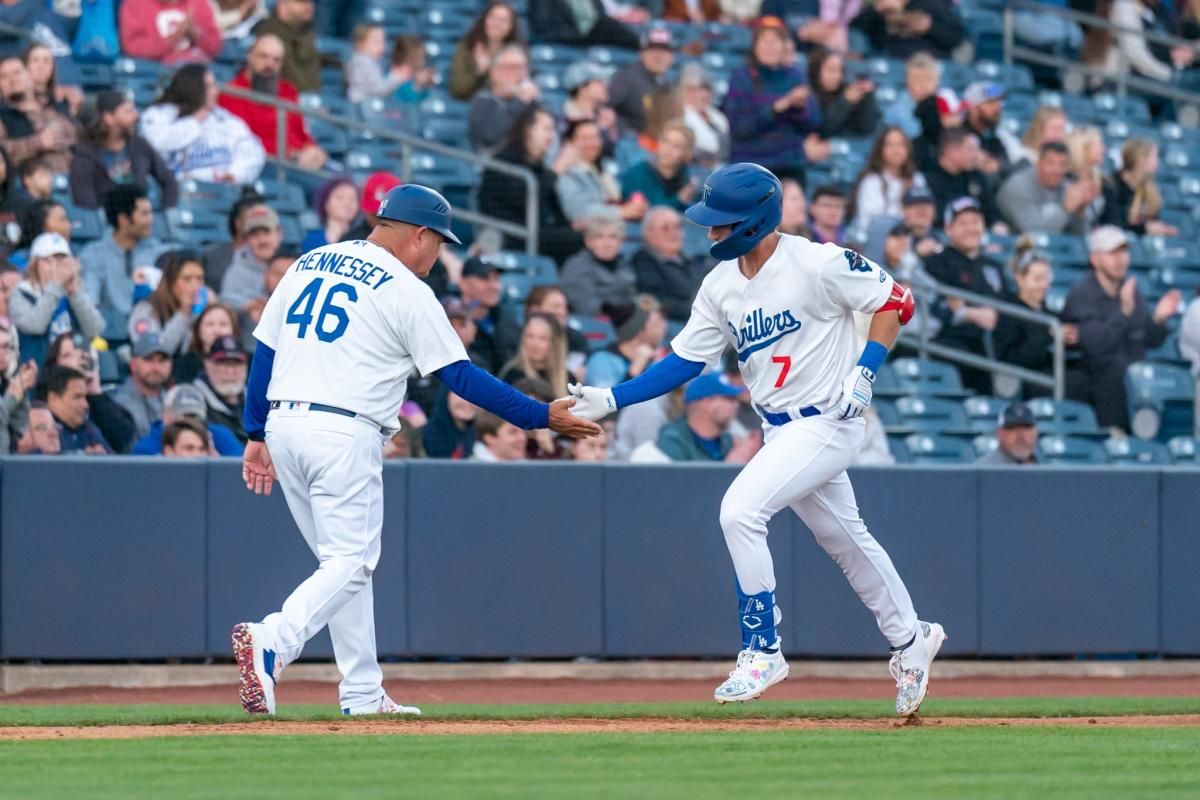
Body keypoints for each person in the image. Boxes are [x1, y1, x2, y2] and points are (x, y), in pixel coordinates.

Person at [567, 162, 943, 714]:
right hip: (779, 428)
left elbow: (897, 304)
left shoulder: (818, 261)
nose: (712, 231)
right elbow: (684, 361)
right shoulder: (720, 284)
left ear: (754, 219)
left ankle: (762, 647)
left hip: (829, 419)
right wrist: (615, 398)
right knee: (847, 541)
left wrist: (864, 372)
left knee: (740, 510)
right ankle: (913, 639)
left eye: (722, 222)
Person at [231, 183, 600, 717]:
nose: (439, 254)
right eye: (440, 243)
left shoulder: (310, 262)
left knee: (340, 567)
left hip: (285, 425)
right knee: (351, 563)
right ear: (419, 235)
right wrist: (539, 414)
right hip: (342, 430)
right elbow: (460, 377)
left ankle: (360, 692)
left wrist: (255, 431)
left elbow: (265, 350)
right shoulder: (405, 287)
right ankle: (275, 639)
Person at [1061, 225, 1178, 432]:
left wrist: (1158, 319)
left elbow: (1147, 339)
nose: (1120, 259)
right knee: (1115, 369)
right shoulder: (1082, 295)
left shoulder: (1130, 290)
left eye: (1124, 252)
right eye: (1112, 253)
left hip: (1133, 378)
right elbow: (1096, 346)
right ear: (1095, 259)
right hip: (1098, 382)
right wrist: (1123, 312)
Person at [478, 106, 584, 264]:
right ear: (528, 130)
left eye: (553, 130)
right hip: (511, 233)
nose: (551, 136)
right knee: (580, 241)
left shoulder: (537, 166)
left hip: (537, 231)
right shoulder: (503, 162)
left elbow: (553, 204)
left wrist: (569, 226)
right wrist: (556, 170)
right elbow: (522, 199)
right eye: (547, 129)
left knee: (587, 236)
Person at [722, 23, 824, 184]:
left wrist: (799, 108)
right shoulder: (741, 79)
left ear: (784, 47)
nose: (770, 47)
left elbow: (814, 121)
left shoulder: (796, 77)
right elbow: (739, 127)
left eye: (775, 41)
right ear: (755, 47)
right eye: (764, 41)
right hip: (751, 168)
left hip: (790, 167)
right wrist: (777, 108)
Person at [924, 197, 1007, 394]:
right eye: (963, 223)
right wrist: (974, 314)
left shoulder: (993, 266)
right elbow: (945, 306)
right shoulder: (938, 262)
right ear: (948, 228)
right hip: (954, 341)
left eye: (976, 222)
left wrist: (967, 308)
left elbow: (1004, 303)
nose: (971, 228)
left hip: (994, 342)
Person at [219, 33, 328, 173]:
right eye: (263, 56)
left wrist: (314, 151)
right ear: (250, 56)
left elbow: (301, 133)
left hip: (299, 163)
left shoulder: (288, 91)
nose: (270, 64)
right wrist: (292, 153)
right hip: (264, 165)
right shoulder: (233, 93)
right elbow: (244, 141)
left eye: (276, 60)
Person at [140, 64, 266, 185]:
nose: (216, 91)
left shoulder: (224, 119)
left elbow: (252, 150)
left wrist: (235, 174)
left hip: (221, 192)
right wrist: (195, 120)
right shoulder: (159, 114)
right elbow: (157, 142)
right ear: (192, 88)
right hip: (173, 192)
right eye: (209, 87)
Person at [79, 186, 166, 338]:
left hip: (152, 336)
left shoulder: (157, 251)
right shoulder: (93, 255)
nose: (151, 220)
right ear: (124, 219)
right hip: (108, 338)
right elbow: (90, 305)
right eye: (144, 214)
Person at [69, 90, 179, 211]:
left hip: (140, 219)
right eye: (128, 112)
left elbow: (169, 181)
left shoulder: (140, 145)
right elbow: (85, 201)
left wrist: (167, 213)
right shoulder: (85, 154)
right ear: (108, 118)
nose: (136, 116)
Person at [993, 242, 1074, 399]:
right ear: (1019, 278)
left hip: (1054, 374)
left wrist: (1071, 340)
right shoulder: (1009, 313)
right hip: (1030, 381)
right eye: (1037, 279)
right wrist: (1049, 337)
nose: (1043, 285)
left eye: (1046, 279)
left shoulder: (1052, 316)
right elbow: (1011, 359)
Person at [10, 233, 105, 366]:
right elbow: (34, 326)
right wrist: (55, 286)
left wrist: (75, 294)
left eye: (62, 261)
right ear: (35, 264)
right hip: (37, 372)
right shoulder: (22, 292)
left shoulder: (72, 294)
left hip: (70, 370)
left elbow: (95, 328)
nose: (55, 267)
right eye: (49, 261)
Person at [44, 332, 136, 452]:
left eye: (83, 356)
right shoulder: (43, 401)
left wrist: (95, 391)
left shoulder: (102, 401)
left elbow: (122, 440)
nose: (77, 362)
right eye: (68, 356)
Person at [631, 206, 711, 326]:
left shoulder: (696, 261)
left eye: (677, 227)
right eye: (665, 228)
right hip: (674, 325)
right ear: (648, 234)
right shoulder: (643, 262)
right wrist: (699, 311)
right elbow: (658, 301)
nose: (674, 233)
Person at [656, 373, 761, 463]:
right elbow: (675, 484)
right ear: (706, 403)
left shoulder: (728, 441)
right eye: (729, 399)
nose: (735, 405)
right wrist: (731, 464)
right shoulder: (672, 439)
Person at [556, 119, 646, 224]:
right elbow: (578, 212)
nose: (592, 143)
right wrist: (622, 212)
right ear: (569, 143)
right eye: (585, 138)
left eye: (595, 137)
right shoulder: (567, 174)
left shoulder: (605, 172)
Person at [996, 142, 1093, 236]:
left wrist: (1080, 213)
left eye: (1062, 164)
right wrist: (1065, 210)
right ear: (1039, 163)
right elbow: (1033, 233)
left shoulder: (1066, 187)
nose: (1056, 170)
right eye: (1050, 163)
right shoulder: (1017, 187)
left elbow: (1082, 237)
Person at [0, 55, 75, 174]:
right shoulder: (3, 116)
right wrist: (38, 142)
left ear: (29, 75)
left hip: (73, 177)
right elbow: (2, 151)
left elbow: (77, 136)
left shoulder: (55, 106)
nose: (12, 79)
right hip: (27, 184)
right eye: (4, 76)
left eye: (17, 72)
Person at [128, 249, 209, 354]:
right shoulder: (146, 310)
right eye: (187, 279)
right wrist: (183, 314)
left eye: (199, 278)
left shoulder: (202, 309)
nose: (195, 286)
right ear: (170, 282)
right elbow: (156, 353)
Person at [131, 381, 243, 455]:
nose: (190, 424)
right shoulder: (147, 448)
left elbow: (243, 478)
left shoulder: (219, 436)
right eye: (182, 419)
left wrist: (216, 464)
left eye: (195, 418)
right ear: (166, 417)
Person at [922, 128, 1003, 229]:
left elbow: (992, 213)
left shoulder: (976, 176)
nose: (976, 156)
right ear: (952, 150)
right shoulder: (927, 179)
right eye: (971, 150)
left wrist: (998, 226)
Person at [466, 44, 539, 155]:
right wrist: (520, 102)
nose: (520, 74)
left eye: (523, 67)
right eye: (512, 67)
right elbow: (489, 134)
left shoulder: (533, 104)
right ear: (494, 73)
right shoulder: (483, 101)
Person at [851, 127, 925, 232]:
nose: (896, 150)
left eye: (900, 145)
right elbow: (867, 223)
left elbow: (924, 215)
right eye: (890, 145)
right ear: (881, 149)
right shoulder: (871, 181)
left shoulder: (917, 179)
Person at [560, 216, 636, 317]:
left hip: (626, 321)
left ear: (620, 242)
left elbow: (633, 297)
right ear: (588, 242)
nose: (607, 243)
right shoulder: (576, 266)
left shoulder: (624, 265)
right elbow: (587, 308)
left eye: (613, 237)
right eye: (599, 237)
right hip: (593, 324)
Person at [584, 294, 666, 387]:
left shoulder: (656, 362)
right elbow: (603, 400)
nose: (664, 326)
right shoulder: (601, 361)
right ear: (638, 328)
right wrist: (633, 372)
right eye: (658, 322)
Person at [448, 1, 524, 101]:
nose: (497, 24)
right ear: (485, 20)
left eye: (503, 20)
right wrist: (480, 72)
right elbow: (458, 90)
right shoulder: (467, 47)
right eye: (494, 18)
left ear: (511, 26)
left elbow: (523, 85)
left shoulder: (517, 53)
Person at [457, 255, 521, 373]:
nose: (494, 286)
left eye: (496, 279)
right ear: (464, 284)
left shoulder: (507, 321)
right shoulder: (449, 322)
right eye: (484, 278)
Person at [608, 26, 675, 135]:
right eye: (653, 50)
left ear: (672, 57)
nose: (658, 56)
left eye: (664, 51)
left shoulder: (667, 84)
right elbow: (604, 108)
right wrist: (629, 135)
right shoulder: (627, 78)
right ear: (641, 55)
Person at [251, 0, 328, 94]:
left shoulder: (306, 31)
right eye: (301, 2)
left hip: (311, 99)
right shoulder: (270, 33)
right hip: (286, 99)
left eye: (310, 2)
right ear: (282, 5)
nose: (309, 6)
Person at [620, 122, 698, 215]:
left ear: (686, 153)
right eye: (665, 141)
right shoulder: (637, 174)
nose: (668, 149)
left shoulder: (685, 176)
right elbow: (649, 212)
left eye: (676, 146)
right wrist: (679, 199)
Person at [1107, 138, 1178, 237]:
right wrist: (1144, 229)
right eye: (1154, 157)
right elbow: (1111, 226)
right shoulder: (1111, 185)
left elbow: (1153, 221)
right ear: (1140, 159)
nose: (1157, 162)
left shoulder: (1150, 190)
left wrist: (1163, 229)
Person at [109, 332, 173, 441]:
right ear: (133, 364)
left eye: (162, 360)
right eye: (149, 359)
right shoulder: (117, 403)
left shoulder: (173, 401)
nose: (156, 367)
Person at [220, 205, 283, 313]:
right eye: (254, 234)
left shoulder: (294, 266)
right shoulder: (235, 274)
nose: (262, 240)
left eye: (266, 232)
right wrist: (247, 306)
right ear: (246, 240)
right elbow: (225, 306)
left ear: (279, 234)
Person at [851, 0, 965, 59]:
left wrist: (931, 27)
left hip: (928, 63)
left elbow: (956, 37)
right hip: (890, 62)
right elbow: (855, 30)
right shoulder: (883, 6)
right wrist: (876, 10)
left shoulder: (932, 3)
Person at [119, 0, 223, 65]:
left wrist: (196, 36)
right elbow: (132, 46)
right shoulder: (135, 3)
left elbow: (215, 46)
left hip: (198, 68)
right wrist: (172, 40)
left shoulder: (198, 3)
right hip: (156, 72)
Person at [37, 364, 112, 454]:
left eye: (85, 397)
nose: (86, 405)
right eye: (77, 397)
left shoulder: (89, 430)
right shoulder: (36, 430)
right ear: (53, 398)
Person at [809, 48, 878, 139]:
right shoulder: (807, 95)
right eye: (831, 70)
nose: (837, 76)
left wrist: (868, 97)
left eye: (840, 70)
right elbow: (823, 130)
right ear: (816, 71)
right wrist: (845, 102)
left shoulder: (846, 90)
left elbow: (865, 128)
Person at [194, 333, 248, 441]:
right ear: (207, 365)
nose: (230, 371)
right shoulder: (193, 401)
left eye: (236, 364)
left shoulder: (258, 401)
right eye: (223, 363)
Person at [525, 284, 589, 375]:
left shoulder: (575, 339)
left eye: (564, 307)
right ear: (535, 310)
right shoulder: (516, 337)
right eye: (556, 306)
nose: (563, 312)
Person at [500, 312, 569, 396]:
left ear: (555, 343)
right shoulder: (512, 375)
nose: (535, 344)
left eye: (543, 338)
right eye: (530, 336)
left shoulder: (568, 378)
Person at [527, 0, 639, 51]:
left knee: (607, 26)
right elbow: (544, 29)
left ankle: (642, 44)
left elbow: (600, 18)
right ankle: (641, 43)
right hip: (565, 42)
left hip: (589, 39)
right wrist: (581, 36)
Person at [1067, 125, 1121, 230]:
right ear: (1083, 147)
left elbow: (1114, 223)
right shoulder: (1063, 179)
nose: (1104, 149)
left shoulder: (1105, 183)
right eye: (1099, 144)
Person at [962, 82, 1020, 178]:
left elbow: (1010, 167)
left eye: (999, 102)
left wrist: (998, 166)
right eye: (991, 102)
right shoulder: (958, 135)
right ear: (973, 108)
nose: (998, 107)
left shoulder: (997, 137)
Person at [679, 64, 730, 170]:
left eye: (704, 89)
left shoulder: (719, 117)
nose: (700, 95)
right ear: (682, 92)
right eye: (692, 90)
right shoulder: (678, 116)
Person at [883, 53, 939, 140]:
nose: (924, 85)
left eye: (929, 78)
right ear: (908, 83)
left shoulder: (943, 106)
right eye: (917, 79)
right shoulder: (897, 110)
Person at [0, 322, 35, 452]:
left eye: (6, 347)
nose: (2, 353)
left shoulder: (7, 384)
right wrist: (11, 399)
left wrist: (22, 391)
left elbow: (22, 433)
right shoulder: (10, 393)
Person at [345, 24, 401, 103]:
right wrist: (396, 77)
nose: (381, 46)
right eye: (376, 42)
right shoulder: (362, 62)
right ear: (360, 44)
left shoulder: (368, 62)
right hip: (360, 108)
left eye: (383, 41)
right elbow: (378, 89)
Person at [422, 387, 478, 459]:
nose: (468, 401)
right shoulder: (425, 437)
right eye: (461, 394)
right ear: (446, 397)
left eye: (474, 395)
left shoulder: (484, 436)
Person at [1014, 106, 1068, 171]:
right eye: (1055, 129)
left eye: (1062, 130)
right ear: (1039, 130)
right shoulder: (1024, 158)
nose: (1059, 135)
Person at [387, 35, 436, 106]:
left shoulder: (424, 76)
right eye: (417, 57)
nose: (422, 62)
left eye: (423, 57)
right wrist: (417, 85)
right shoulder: (394, 77)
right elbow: (401, 101)